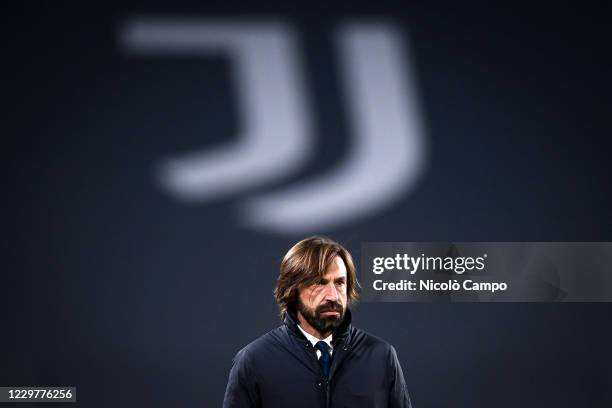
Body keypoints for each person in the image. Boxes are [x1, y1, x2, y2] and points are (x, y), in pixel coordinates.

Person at [222, 236, 412, 408]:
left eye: (339, 282)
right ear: (292, 290)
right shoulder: (253, 361)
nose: (332, 296)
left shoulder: (382, 356)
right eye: (319, 283)